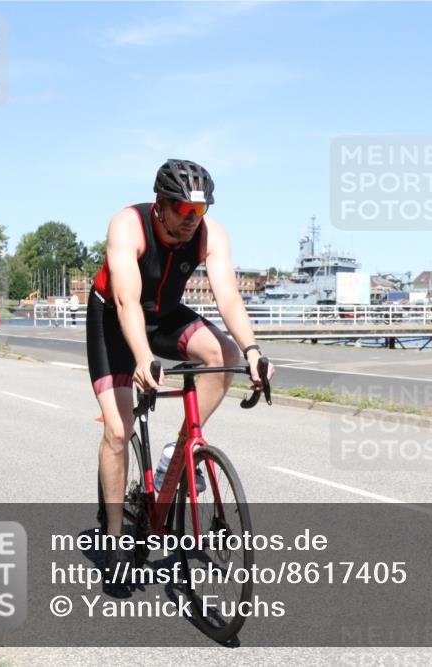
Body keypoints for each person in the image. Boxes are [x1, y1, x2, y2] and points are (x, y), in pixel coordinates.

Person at [88, 159, 274, 571]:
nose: (193, 220)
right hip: (115, 320)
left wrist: (253, 351)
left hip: (165, 315)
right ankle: (116, 538)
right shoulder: (127, 225)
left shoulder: (210, 234)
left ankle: (178, 448)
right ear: (160, 204)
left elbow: (228, 298)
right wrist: (143, 359)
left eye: (201, 210)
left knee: (223, 355)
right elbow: (126, 301)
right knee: (118, 432)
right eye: (184, 210)